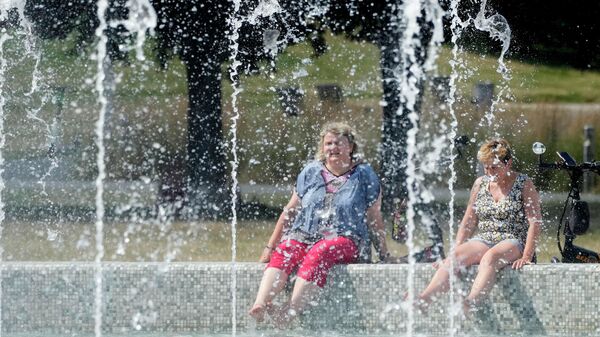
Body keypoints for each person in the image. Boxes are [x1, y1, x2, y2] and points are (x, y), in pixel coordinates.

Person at [249, 122, 394, 326]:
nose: (332, 148)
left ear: (350, 147)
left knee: (321, 250)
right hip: (305, 235)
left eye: (338, 143)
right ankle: (260, 303)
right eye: (328, 143)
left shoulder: (364, 175)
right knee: (287, 249)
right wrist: (270, 247)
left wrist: (384, 253)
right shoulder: (311, 172)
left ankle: (289, 312)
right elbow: (289, 212)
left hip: (348, 240)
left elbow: (374, 217)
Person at [416, 138, 542, 313]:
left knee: (490, 257)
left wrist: (527, 256)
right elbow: (469, 221)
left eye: (494, 167)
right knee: (456, 256)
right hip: (486, 238)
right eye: (486, 167)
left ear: (508, 163)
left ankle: (470, 303)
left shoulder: (524, 184)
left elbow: (535, 222)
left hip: (514, 241)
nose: (490, 172)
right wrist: (454, 252)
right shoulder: (480, 183)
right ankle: (424, 299)